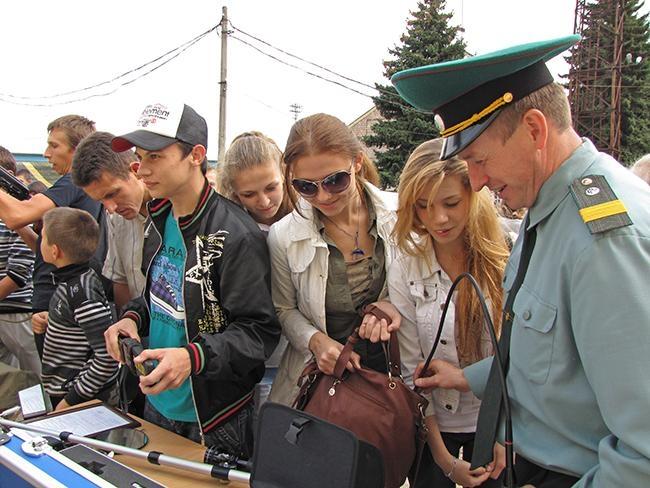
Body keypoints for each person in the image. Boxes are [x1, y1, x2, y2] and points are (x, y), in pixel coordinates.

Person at [392, 35, 650, 486]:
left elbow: (642, 450)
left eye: (479, 159)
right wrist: (469, 378)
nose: (477, 181)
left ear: (534, 129)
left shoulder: (605, 239)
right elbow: (549, 355)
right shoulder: (548, 205)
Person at [103, 102, 280, 458]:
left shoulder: (236, 234)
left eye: (155, 156)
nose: (143, 170)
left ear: (195, 155)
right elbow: (159, 295)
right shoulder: (158, 218)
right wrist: (131, 318)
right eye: (140, 158)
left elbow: (259, 332)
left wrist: (192, 357)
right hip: (157, 400)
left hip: (215, 416)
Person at [364, 138, 509, 487]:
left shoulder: (506, 254)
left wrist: (504, 434)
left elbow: (518, 358)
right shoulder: (406, 263)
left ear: (474, 193)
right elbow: (412, 369)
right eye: (424, 206)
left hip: (496, 424)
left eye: (451, 203)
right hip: (432, 430)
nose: (438, 219)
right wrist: (445, 461)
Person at [267, 113, 398, 406]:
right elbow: (283, 308)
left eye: (335, 180)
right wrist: (315, 341)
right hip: (319, 385)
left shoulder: (399, 215)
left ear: (357, 162)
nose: (323, 196)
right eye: (306, 186)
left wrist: (389, 306)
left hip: (391, 377)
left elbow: (420, 289)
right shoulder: (283, 235)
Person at [0, 115, 102, 358]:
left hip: (61, 302)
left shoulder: (73, 182)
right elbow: (42, 248)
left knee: (58, 375)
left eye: (54, 145)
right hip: (57, 300)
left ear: (77, 150)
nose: (47, 154)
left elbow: (16, 216)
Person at [217, 131, 292, 415]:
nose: (264, 201)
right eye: (249, 194)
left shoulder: (306, 217)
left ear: (284, 174)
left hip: (300, 355)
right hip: (253, 360)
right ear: (233, 192)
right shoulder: (229, 230)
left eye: (271, 187)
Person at [40, 207, 119, 410]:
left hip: (80, 399)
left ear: (55, 250)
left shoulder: (81, 294)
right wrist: (54, 321)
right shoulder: (74, 280)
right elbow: (78, 324)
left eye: (42, 237)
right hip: (67, 392)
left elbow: (107, 357)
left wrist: (69, 402)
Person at [71, 131, 150, 310]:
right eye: (100, 201)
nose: (111, 208)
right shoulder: (115, 218)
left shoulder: (178, 210)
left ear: (135, 171)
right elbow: (120, 280)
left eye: (113, 193)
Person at [0, 147, 40, 375]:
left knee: (36, 378)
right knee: (8, 384)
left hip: (18, 313)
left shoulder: (21, 212)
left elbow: (18, 273)